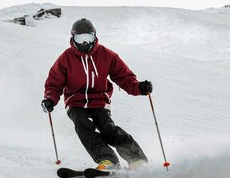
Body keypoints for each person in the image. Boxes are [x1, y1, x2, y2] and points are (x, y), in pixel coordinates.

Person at [41, 18, 151, 170]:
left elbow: (123, 76)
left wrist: (139, 88)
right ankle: (108, 159)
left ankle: (136, 158)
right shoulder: (66, 58)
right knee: (82, 124)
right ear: (73, 38)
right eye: (81, 39)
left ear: (95, 37)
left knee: (107, 128)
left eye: (88, 38)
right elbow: (54, 83)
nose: (85, 43)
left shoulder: (106, 55)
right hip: (76, 101)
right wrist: (50, 99)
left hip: (99, 100)